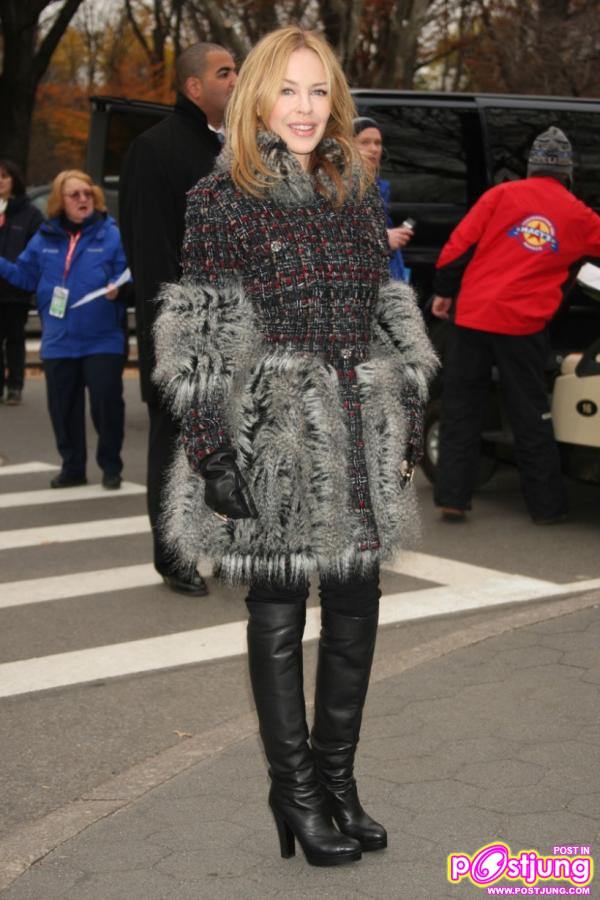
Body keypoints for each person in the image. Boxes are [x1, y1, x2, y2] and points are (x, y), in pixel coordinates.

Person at [152, 26, 437, 866]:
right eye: (289, 90)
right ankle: (297, 792)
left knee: (356, 601)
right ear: (257, 99)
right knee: (277, 610)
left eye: (320, 91)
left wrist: (408, 404)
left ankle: (338, 782)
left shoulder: (354, 188)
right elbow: (202, 333)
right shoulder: (222, 196)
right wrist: (210, 452)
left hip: (355, 419)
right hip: (269, 428)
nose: (306, 108)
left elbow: (383, 307)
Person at [431, 126, 600, 524]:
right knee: (530, 413)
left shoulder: (499, 196)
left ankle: (453, 497)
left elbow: (459, 247)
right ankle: (546, 508)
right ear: (568, 173)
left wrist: (443, 290)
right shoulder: (579, 215)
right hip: (522, 325)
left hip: (472, 316)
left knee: (461, 408)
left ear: (531, 168)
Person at [119, 42, 237, 597]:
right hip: (183, 329)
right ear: (194, 87)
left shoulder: (239, 148)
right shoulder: (155, 149)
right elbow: (150, 251)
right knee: (176, 447)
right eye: (225, 72)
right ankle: (174, 556)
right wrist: (176, 333)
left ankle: (233, 548)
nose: (237, 79)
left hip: (238, 326)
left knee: (236, 437)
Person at [0, 169, 128, 489]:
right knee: (63, 410)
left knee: (106, 405)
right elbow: (25, 278)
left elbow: (132, 274)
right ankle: (73, 468)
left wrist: (121, 288)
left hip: (103, 339)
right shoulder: (44, 238)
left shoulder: (111, 234)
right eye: (75, 195)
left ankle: (111, 466)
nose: (83, 199)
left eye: (88, 193)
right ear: (61, 201)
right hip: (58, 340)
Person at [0, 159, 44, 405]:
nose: (0, 181)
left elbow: (38, 246)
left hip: (16, 288)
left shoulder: (29, 213)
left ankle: (15, 385)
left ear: (14, 180)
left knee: (15, 338)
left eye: (5, 176)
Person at [352, 116, 414, 282]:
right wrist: (383, 239)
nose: (373, 149)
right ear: (347, 146)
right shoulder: (338, 188)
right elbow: (332, 238)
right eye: (365, 142)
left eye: (378, 143)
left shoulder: (378, 188)